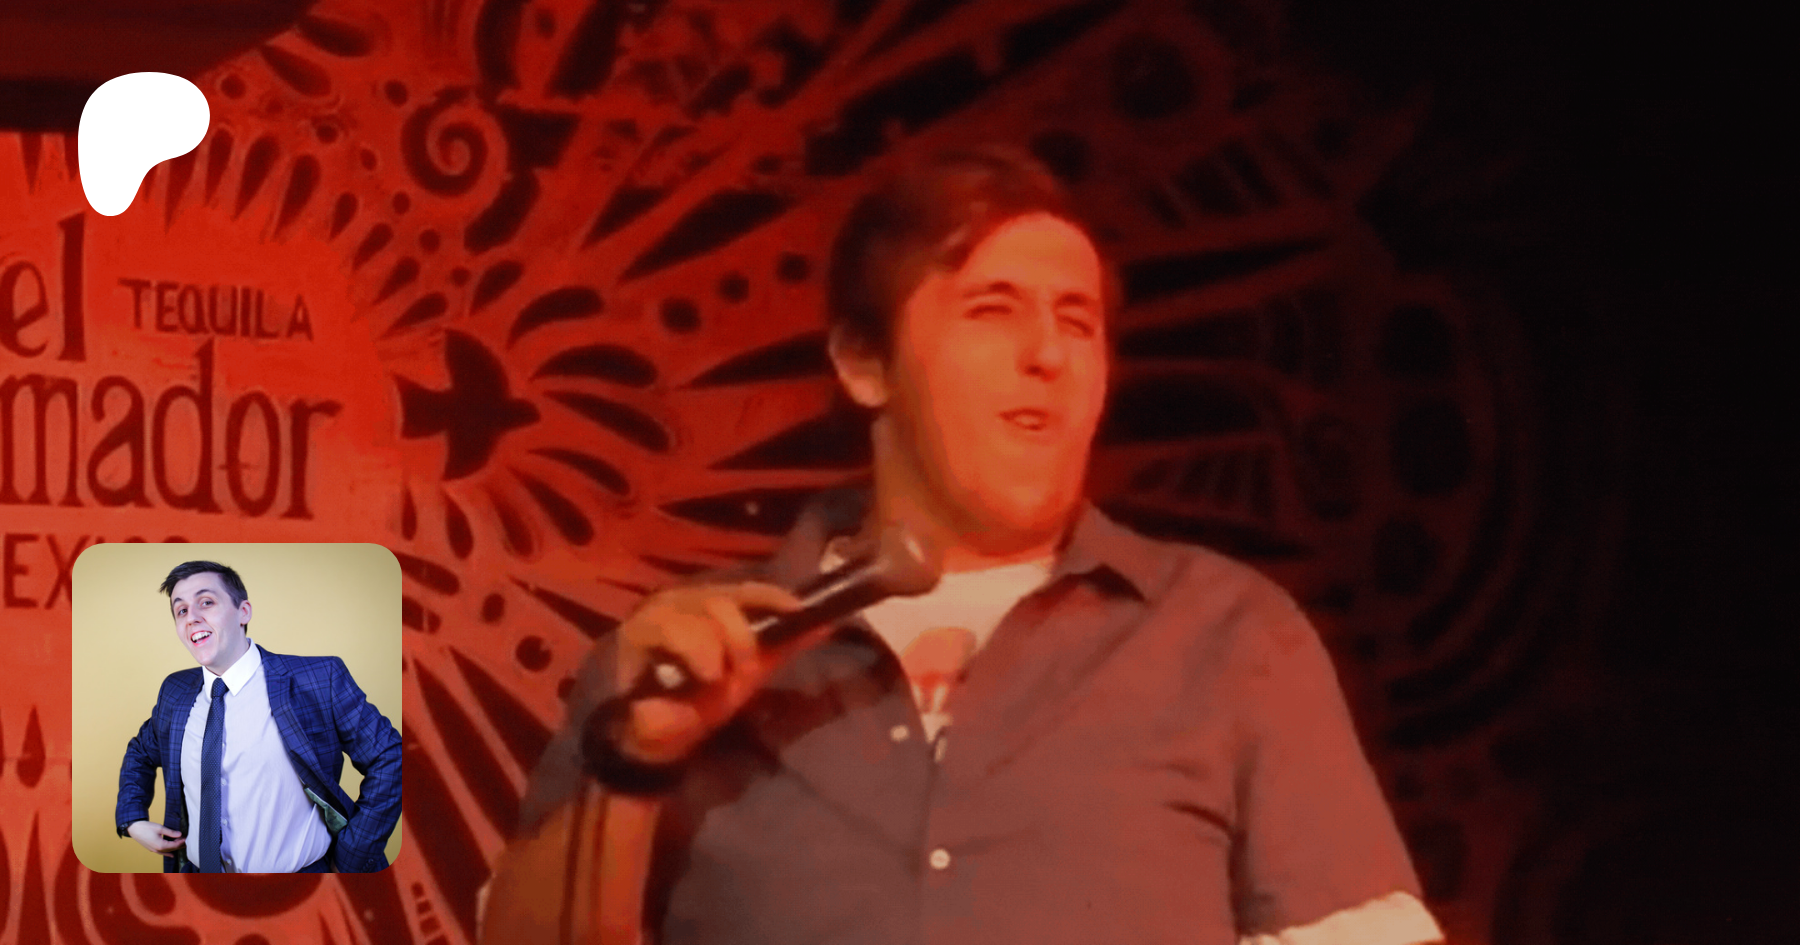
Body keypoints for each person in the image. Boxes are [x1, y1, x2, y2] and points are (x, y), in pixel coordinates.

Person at [485, 147, 1445, 944]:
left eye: (1079, 321)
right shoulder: (683, 653)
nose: (1048, 354)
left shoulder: (1225, 635)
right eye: (993, 309)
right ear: (864, 364)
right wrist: (638, 764)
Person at [115, 559, 403, 873]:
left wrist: (353, 855)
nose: (192, 617)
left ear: (244, 612)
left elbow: (389, 755)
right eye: (181, 610)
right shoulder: (176, 691)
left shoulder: (319, 679)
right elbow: (141, 751)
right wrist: (133, 819)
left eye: (206, 602)